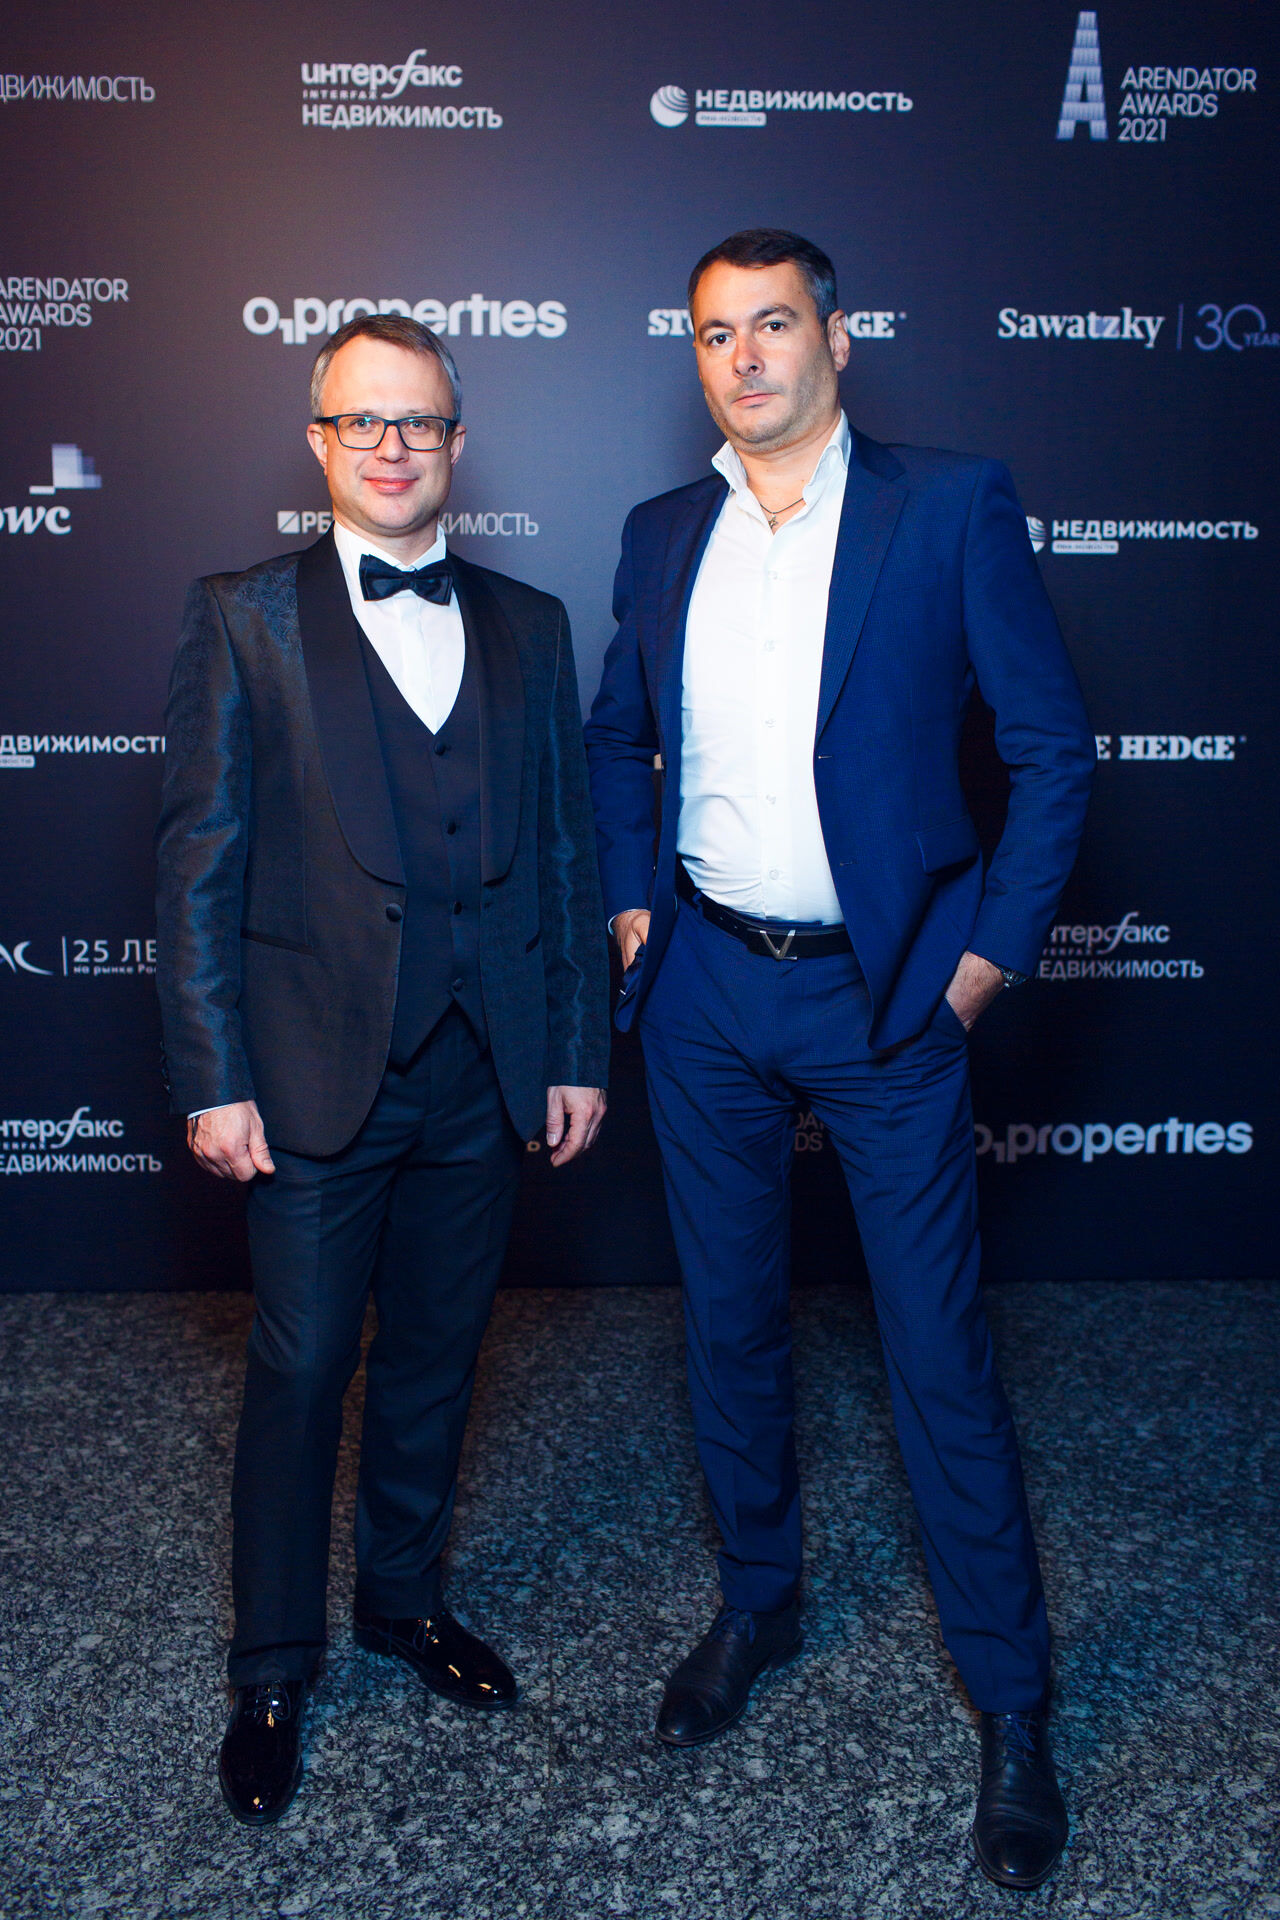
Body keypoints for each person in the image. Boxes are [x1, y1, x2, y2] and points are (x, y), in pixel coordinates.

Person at [585, 230, 1094, 1892]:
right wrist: (634, 903)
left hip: (889, 1004)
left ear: (838, 339)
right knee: (729, 1323)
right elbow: (615, 740)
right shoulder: (662, 532)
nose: (744, 356)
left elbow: (1051, 752)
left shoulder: (949, 507)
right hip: (708, 994)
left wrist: (977, 968)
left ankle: (1011, 1702)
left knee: (937, 1354)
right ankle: (759, 1601)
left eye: (774, 324)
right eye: (714, 333)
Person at [156, 313, 609, 1825]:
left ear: (457, 443)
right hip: (306, 1072)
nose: (392, 445)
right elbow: (199, 865)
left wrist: (574, 1048)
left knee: (435, 1353)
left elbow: (564, 852)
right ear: (319, 443)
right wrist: (212, 1074)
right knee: (300, 1367)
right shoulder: (242, 619)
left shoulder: (535, 624)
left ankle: (401, 1603)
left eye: (417, 421)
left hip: (485, 1066)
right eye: (362, 421)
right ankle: (272, 1666)